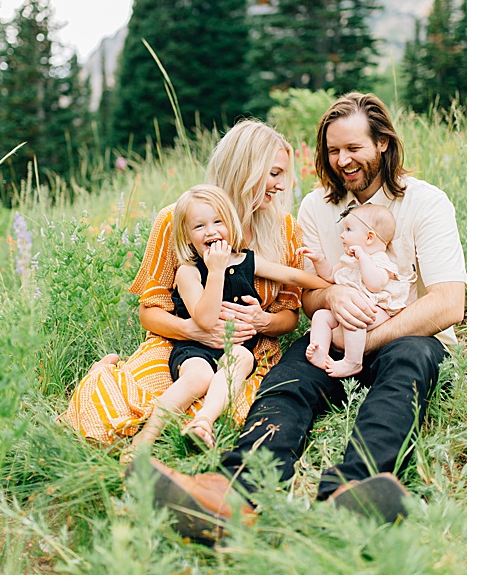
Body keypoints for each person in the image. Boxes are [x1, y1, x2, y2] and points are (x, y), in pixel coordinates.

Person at [138, 94, 465, 535]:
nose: (343, 160)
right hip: (333, 334)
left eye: (354, 148)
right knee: (286, 385)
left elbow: (449, 302)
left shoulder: (426, 202)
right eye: (333, 151)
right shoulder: (316, 207)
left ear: (383, 144)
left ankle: (354, 489)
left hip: (408, 335)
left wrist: (366, 343)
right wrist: (331, 299)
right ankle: (233, 492)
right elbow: (308, 296)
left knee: (408, 367)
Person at [60, 120, 308, 444]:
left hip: (246, 351)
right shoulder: (178, 219)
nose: (281, 185)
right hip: (179, 345)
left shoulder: (286, 231)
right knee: (114, 413)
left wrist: (264, 321)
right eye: (274, 173)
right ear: (245, 168)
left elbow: (290, 315)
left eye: (284, 175)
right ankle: (106, 381)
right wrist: (194, 329)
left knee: (229, 411)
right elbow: (149, 312)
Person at [128, 184, 328, 451]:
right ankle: (146, 437)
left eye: (218, 222)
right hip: (195, 348)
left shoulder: (248, 260)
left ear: (230, 224)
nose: (210, 231)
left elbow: (291, 276)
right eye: (199, 227)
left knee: (244, 359)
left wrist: (329, 284)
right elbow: (206, 320)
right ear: (187, 237)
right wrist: (216, 271)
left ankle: (203, 422)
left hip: (237, 347)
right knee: (198, 377)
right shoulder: (188, 273)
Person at [306, 203, 411, 377]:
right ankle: (320, 352)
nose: (342, 235)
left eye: (348, 230)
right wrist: (318, 260)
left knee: (354, 318)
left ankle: (352, 362)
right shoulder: (349, 259)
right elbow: (330, 274)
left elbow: (375, 284)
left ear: (369, 238)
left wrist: (363, 258)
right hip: (351, 309)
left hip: (377, 312)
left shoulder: (379, 260)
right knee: (321, 316)